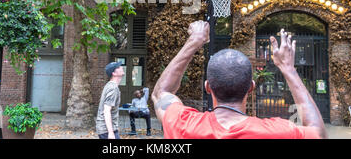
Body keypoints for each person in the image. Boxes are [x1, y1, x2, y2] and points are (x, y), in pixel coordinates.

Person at [152, 20, 327, 139]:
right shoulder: (276, 132)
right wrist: (289, 70)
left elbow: (162, 92)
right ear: (251, 87)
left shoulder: (183, 125)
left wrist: (195, 41)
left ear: (208, 87)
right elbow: (318, 132)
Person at [95, 61, 124, 139]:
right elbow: (107, 110)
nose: (121, 67)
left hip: (105, 129)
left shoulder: (111, 85)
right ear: (113, 73)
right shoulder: (112, 88)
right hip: (106, 130)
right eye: (118, 67)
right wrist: (111, 133)